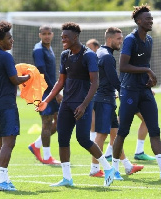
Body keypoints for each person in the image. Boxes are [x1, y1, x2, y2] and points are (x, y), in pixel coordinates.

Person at [112, 4, 161, 180]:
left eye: (152, 18)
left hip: (145, 92)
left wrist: (149, 79)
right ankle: (114, 170)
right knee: (122, 132)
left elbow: (144, 65)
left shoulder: (150, 40)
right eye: (148, 19)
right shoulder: (130, 40)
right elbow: (123, 66)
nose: (151, 21)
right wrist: (147, 71)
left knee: (155, 130)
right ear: (138, 21)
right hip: (129, 92)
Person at [36, 22, 115, 187]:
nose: (63, 39)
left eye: (66, 37)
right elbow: (60, 81)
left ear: (75, 37)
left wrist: (84, 105)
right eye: (62, 36)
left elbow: (95, 83)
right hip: (66, 103)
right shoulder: (65, 55)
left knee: (83, 139)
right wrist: (46, 101)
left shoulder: (89, 55)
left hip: (82, 104)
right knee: (62, 139)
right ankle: (67, 178)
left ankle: (108, 169)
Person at [89, 27, 143, 180]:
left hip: (105, 99)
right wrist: (125, 93)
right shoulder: (107, 56)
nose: (121, 42)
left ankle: (127, 166)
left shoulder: (100, 53)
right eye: (119, 39)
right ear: (110, 40)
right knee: (102, 134)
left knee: (115, 135)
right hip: (104, 100)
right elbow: (114, 80)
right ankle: (94, 169)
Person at [0, 21, 31, 191]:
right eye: (9, 37)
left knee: (1, 142)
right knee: (9, 143)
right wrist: (28, 76)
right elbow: (15, 80)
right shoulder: (5, 56)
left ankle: (3, 178)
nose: (12, 40)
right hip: (6, 105)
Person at [28, 25, 62, 165]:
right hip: (43, 92)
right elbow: (42, 73)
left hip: (52, 90)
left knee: (60, 122)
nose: (47, 36)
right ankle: (47, 157)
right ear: (39, 35)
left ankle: (36, 145)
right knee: (47, 123)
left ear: (52, 34)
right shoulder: (38, 50)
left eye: (49, 33)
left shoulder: (49, 48)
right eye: (44, 34)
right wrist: (56, 92)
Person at [85, 38, 100, 142]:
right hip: (93, 89)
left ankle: (93, 136)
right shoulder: (90, 57)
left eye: (90, 47)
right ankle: (92, 136)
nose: (87, 49)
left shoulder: (96, 57)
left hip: (99, 89)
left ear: (96, 47)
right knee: (93, 113)